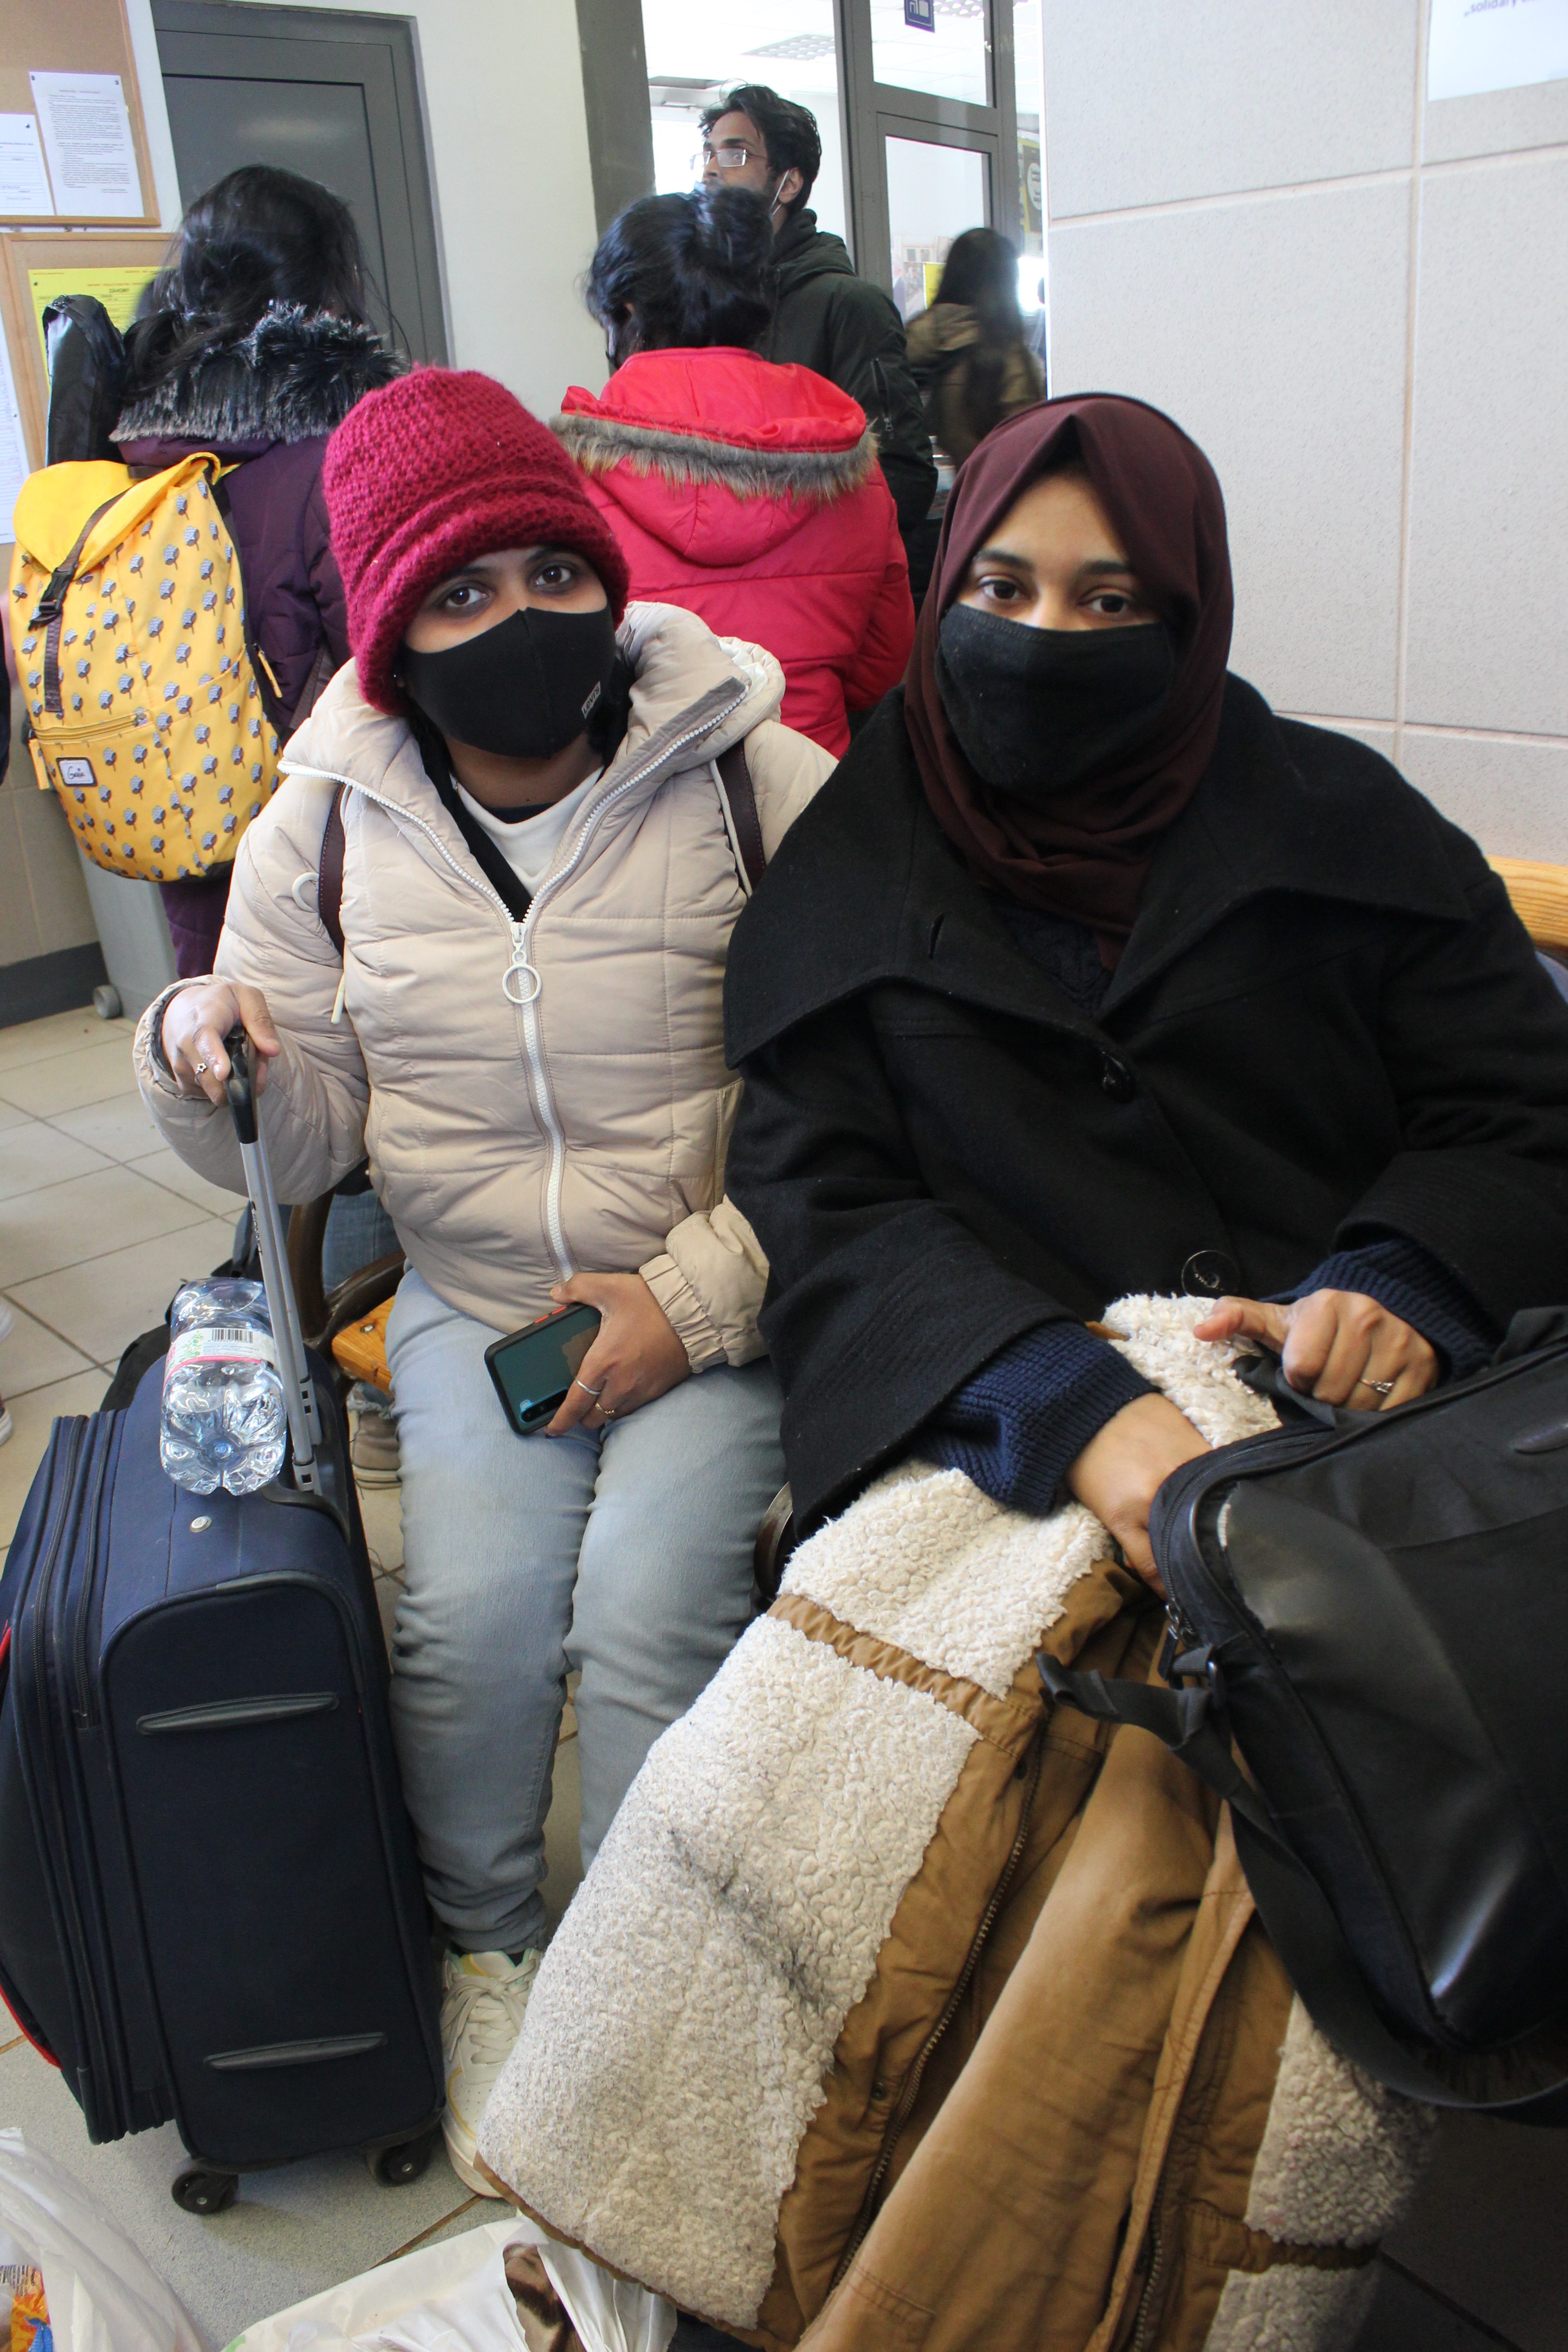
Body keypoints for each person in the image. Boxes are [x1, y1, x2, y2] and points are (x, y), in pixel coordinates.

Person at [130, 368, 833, 2193]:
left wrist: (708, 1292)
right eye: (456, 594)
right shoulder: (332, 818)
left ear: (602, 574)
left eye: (547, 572)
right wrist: (209, 1045)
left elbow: (872, 1089)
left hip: (712, 1287)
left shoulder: (752, 768)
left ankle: (645, 1975)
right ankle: (495, 1952)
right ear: (388, 634)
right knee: (475, 1621)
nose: (516, 624)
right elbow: (303, 1142)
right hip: (476, 1292)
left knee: (659, 1597)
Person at [723, 393, 1568, 1567]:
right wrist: (1056, 1401)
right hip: (1023, 1465)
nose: (1044, 637)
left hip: (1399, 1447)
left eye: (1107, 601)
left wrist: (1408, 1282)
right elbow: (827, 1209)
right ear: (945, 588)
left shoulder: (1350, 828)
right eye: (1002, 591)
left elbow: (1522, 1102)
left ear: (1186, 617)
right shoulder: (851, 871)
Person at [113, 163, 398, 976]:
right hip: (325, 843)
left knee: (231, 1053)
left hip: (188, 821)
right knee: (344, 1071)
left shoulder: (135, 453)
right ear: (332, 292)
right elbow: (388, 667)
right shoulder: (340, 455)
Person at [563, 185, 913, 757]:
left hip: (644, 803)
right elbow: (879, 667)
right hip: (813, 792)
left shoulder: (572, 473)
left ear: (624, 314)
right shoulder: (848, 457)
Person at [700, 85, 937, 544]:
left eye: (735, 155)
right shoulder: (707, 302)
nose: (711, 170)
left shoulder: (848, 305)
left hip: (812, 577)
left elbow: (903, 479)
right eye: (708, 154)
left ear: (788, 184)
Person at [906, 227, 1045, 468]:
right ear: (1005, 285)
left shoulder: (913, 338)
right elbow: (1029, 448)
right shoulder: (1011, 358)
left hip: (928, 490)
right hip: (993, 490)